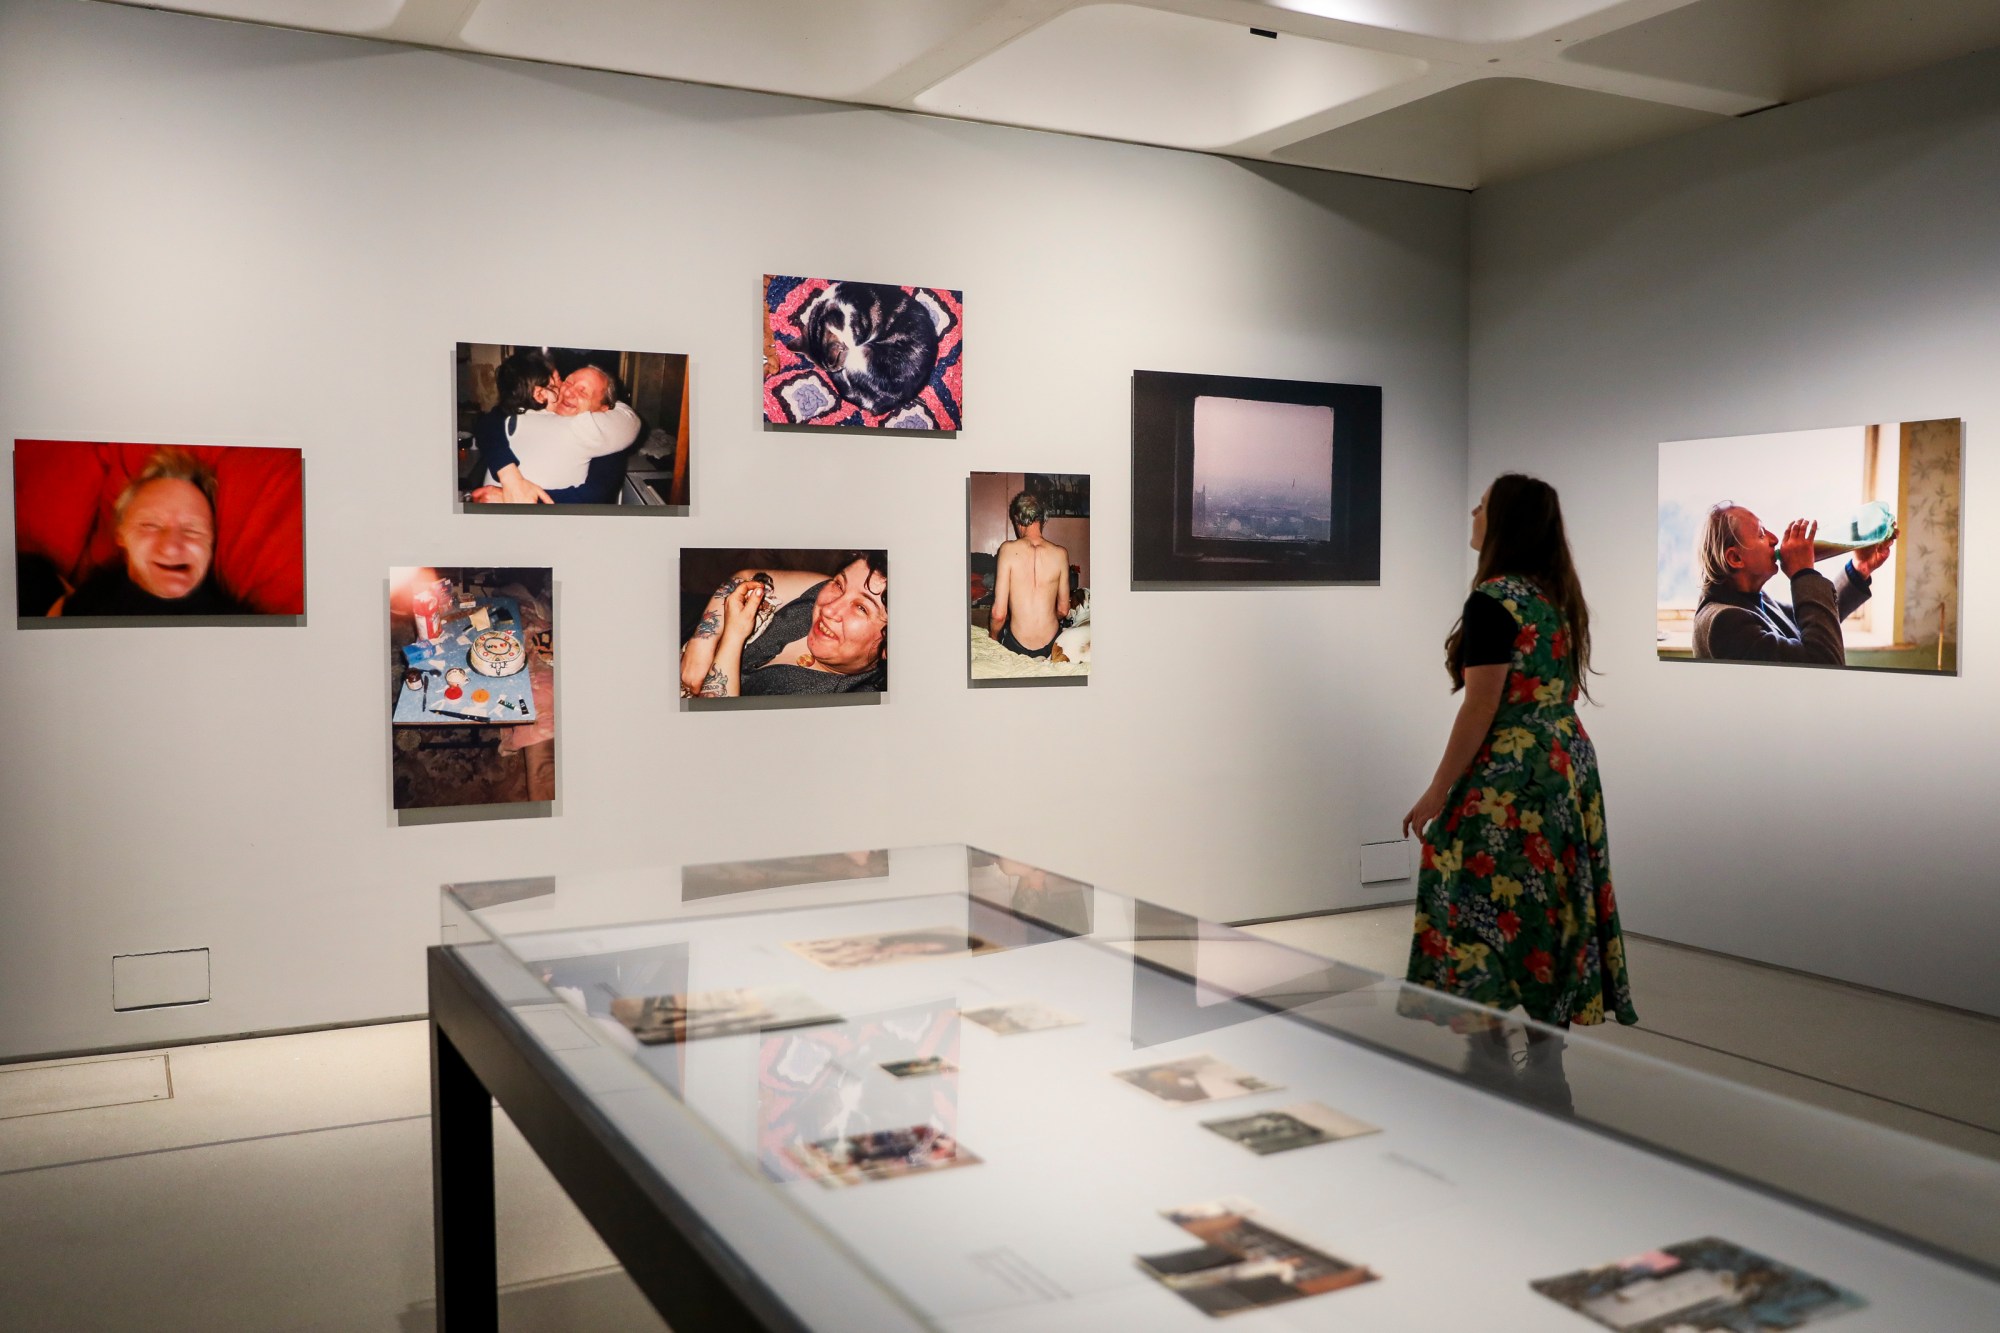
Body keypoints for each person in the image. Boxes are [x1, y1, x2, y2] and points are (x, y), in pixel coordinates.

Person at [1400, 474, 1637, 1104]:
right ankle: (1546, 1056)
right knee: (1551, 907)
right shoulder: (1556, 596)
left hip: (1512, 774)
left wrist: (1435, 792)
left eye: (1481, 505)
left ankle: (1488, 1046)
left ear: (1501, 522)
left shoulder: (1493, 600)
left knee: (1478, 893)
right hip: (1565, 765)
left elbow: (1480, 708)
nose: (1472, 512)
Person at [1691, 503, 1893, 664]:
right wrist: (1803, 573)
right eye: (1761, 534)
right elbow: (1824, 664)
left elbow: (1814, 621)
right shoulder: (1725, 623)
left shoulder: (1748, 599)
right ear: (1735, 558)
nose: (1775, 539)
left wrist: (1860, 569)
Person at [58, 449, 245, 616]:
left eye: (192, 530)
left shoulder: (237, 628)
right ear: (120, 534)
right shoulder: (93, 592)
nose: (171, 548)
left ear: (212, 542)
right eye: (150, 525)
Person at [679, 553, 888, 697]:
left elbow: (715, 731)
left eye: (861, 608)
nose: (829, 609)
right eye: (840, 584)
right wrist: (702, 641)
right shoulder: (822, 590)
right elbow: (745, 578)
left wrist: (733, 637)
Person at [471, 359, 640, 505]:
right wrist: (509, 475)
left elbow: (595, 495)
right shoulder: (534, 411)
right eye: (568, 382)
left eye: (583, 391)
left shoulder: (603, 432)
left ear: (604, 410)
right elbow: (493, 418)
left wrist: (512, 498)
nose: (567, 392)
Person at [988, 491, 1070, 658]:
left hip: (1017, 645)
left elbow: (999, 614)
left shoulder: (1007, 550)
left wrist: (993, 638)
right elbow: (1063, 610)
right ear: (1043, 519)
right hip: (1052, 646)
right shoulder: (1061, 554)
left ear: (1018, 520)